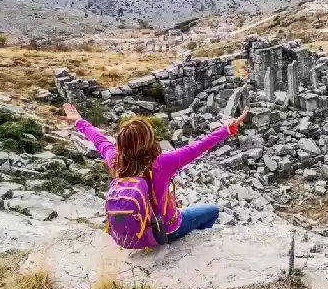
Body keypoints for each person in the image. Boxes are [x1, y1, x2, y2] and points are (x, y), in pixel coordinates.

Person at [61, 102, 248, 245]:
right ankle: (199, 242)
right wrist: (227, 129)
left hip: (131, 234)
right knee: (211, 211)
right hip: (163, 231)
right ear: (149, 140)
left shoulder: (116, 161)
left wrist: (79, 121)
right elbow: (197, 147)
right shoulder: (163, 162)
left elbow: (100, 141)